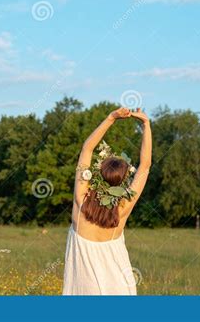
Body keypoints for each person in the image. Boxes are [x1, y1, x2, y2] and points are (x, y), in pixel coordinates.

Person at [62, 107, 152, 295]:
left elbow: (87, 148)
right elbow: (145, 165)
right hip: (120, 289)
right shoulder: (123, 206)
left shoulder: (81, 199)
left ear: (98, 174)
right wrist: (146, 124)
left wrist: (111, 118)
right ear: (123, 181)